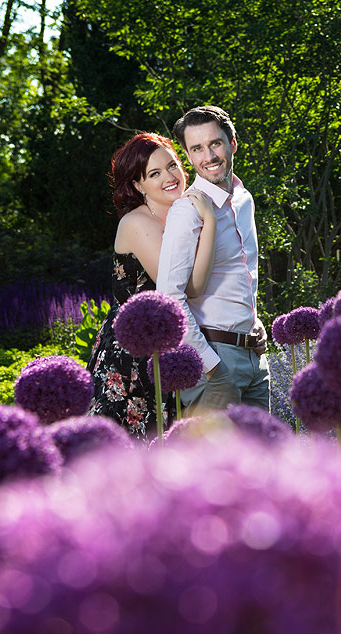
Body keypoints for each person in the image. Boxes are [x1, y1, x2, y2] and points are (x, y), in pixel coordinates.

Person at [87, 132, 218, 439]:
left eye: (172, 166)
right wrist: (210, 223)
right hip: (132, 357)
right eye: (154, 174)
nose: (170, 177)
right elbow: (188, 289)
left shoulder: (180, 216)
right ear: (137, 185)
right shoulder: (137, 223)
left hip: (167, 351)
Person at [157, 105, 269, 416]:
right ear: (189, 156)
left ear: (232, 144)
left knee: (264, 461)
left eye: (215, 143)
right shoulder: (187, 211)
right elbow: (170, 297)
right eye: (197, 148)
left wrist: (255, 323)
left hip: (255, 356)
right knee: (212, 464)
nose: (209, 156)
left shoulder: (244, 200)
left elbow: (244, 275)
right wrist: (210, 366)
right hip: (215, 361)